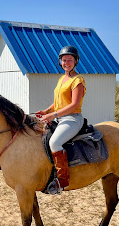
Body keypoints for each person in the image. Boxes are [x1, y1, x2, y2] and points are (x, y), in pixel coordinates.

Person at [36, 45, 86, 194]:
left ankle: (62, 181)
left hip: (72, 119)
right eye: (64, 60)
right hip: (59, 118)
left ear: (76, 61)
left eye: (70, 60)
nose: (67, 63)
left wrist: (53, 115)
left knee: (55, 142)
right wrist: (46, 111)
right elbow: (59, 102)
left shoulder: (78, 80)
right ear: (60, 62)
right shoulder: (62, 79)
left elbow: (74, 104)